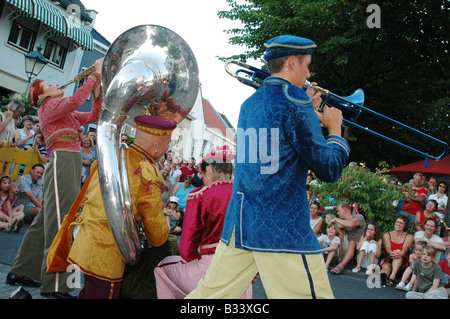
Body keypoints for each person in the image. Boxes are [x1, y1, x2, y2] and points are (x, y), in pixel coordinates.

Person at [186, 35, 349, 299]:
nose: (309, 73)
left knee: (207, 297)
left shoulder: (250, 103)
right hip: (281, 230)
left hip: (242, 223)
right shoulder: (296, 102)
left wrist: (308, 110)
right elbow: (329, 169)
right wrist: (335, 129)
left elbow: (278, 147)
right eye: (307, 65)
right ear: (293, 62)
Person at [6, 58, 103, 299]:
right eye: (49, 83)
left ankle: (21, 271)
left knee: (46, 221)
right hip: (62, 162)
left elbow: (94, 113)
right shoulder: (47, 107)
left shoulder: (65, 114)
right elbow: (76, 100)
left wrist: (98, 86)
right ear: (40, 96)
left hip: (66, 163)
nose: (55, 83)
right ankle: (57, 284)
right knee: (63, 222)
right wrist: (93, 76)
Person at [61, 115, 175, 299]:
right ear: (155, 146)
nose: (167, 149)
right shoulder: (147, 173)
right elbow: (157, 234)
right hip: (107, 249)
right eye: (167, 144)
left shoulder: (112, 155)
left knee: (88, 292)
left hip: (85, 237)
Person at [154, 145, 252, 299]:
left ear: (210, 171)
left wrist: (193, 261)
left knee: (160, 269)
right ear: (231, 172)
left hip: (209, 271)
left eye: (203, 174)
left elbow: (187, 249)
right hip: (242, 279)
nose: (203, 179)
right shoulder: (248, 197)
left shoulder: (201, 195)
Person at [329, 203, 366, 275]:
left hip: (360, 246)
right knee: (340, 231)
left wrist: (336, 219)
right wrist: (329, 222)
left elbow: (351, 224)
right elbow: (333, 228)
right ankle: (339, 257)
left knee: (352, 242)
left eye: (339, 211)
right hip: (347, 245)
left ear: (345, 210)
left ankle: (340, 266)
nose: (337, 213)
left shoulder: (359, 217)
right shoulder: (342, 221)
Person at [379, 215, 414, 287]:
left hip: (402, 261)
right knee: (386, 266)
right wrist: (392, 253)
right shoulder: (387, 235)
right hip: (389, 257)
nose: (398, 224)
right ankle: (384, 278)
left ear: (404, 226)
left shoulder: (409, 236)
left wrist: (401, 253)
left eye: (401, 223)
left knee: (398, 254)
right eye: (397, 222)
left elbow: (405, 247)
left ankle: (392, 276)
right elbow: (387, 247)